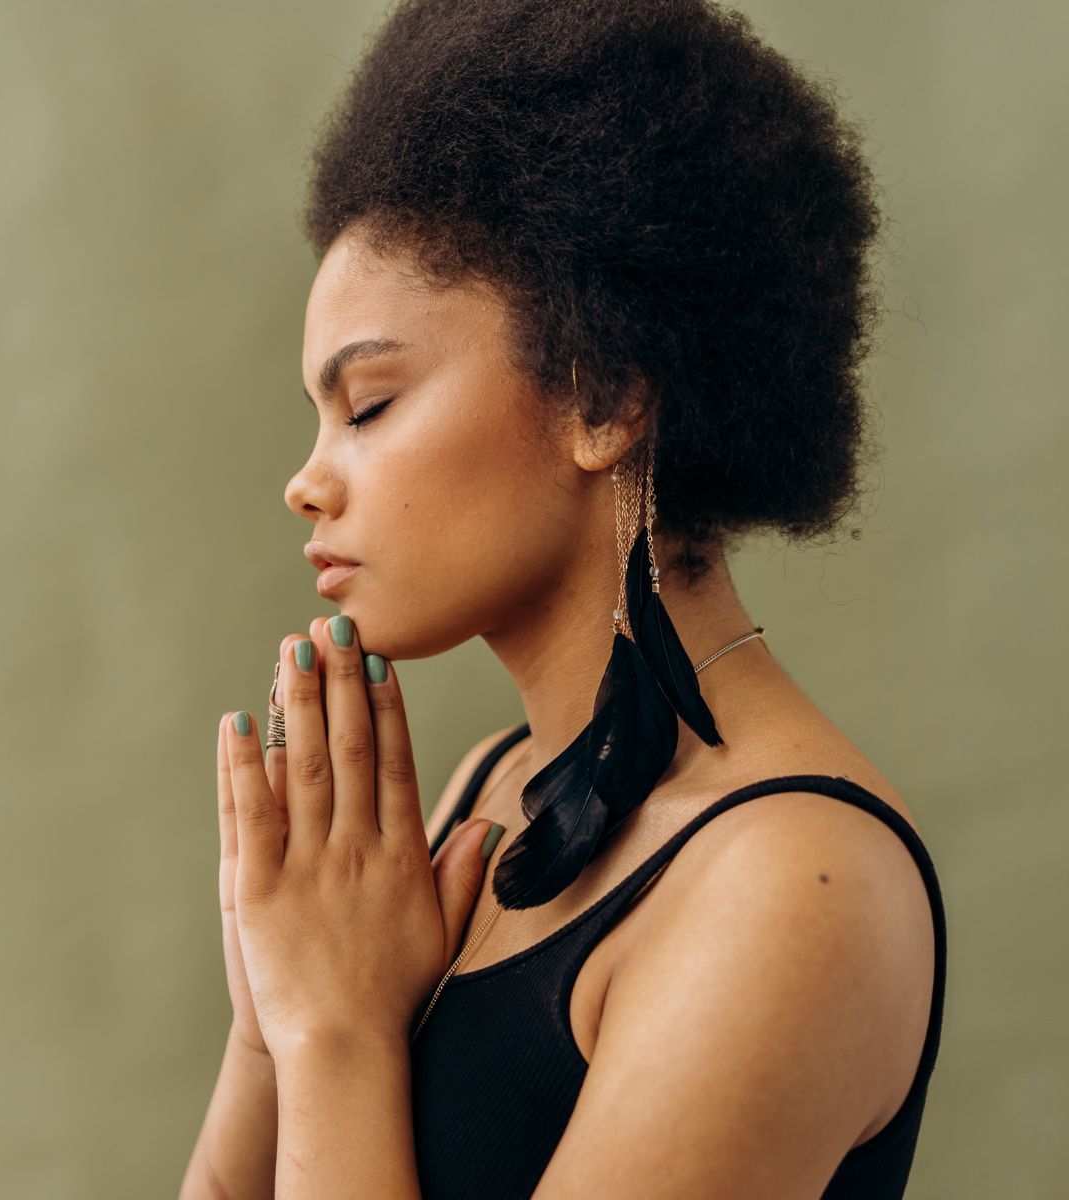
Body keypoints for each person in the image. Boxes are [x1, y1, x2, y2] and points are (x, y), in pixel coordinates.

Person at [180, 1, 946, 1196]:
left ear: (602, 399)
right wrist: (269, 1015)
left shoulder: (790, 887)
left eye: (369, 406)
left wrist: (335, 1036)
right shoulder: (489, 792)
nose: (305, 481)